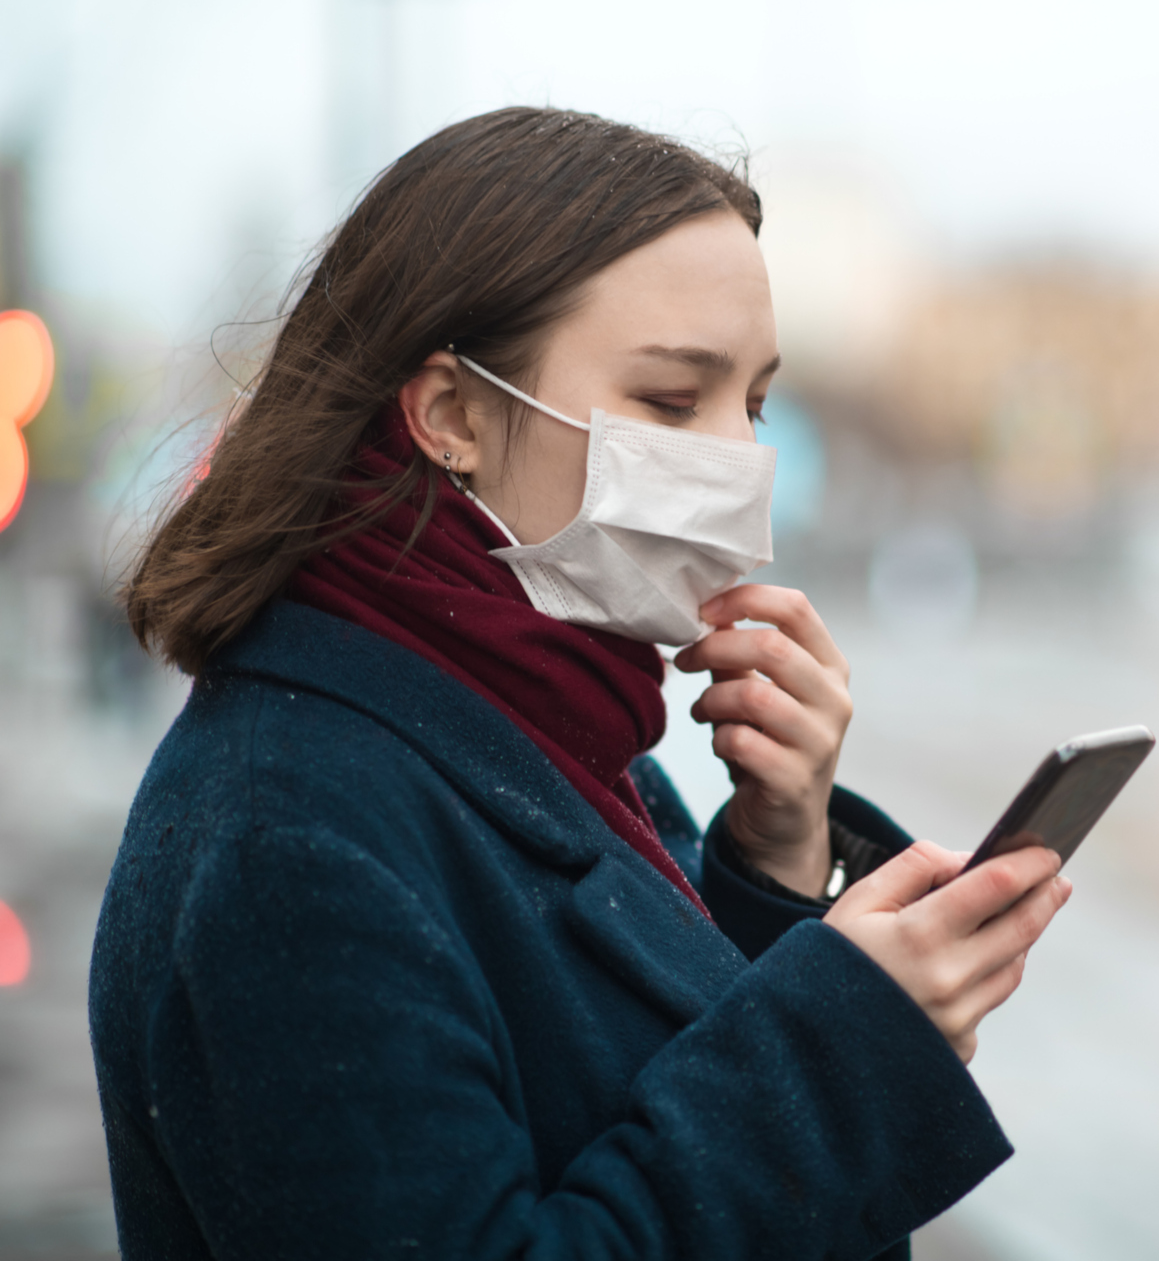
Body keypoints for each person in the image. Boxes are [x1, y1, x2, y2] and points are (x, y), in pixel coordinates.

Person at [89, 106, 1071, 1260]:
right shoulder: (286, 836)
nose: (740, 457)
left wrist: (776, 858)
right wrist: (846, 1043)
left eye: (752, 404)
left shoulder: (562, 721)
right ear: (452, 414)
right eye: (671, 398)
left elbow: (640, 1087)